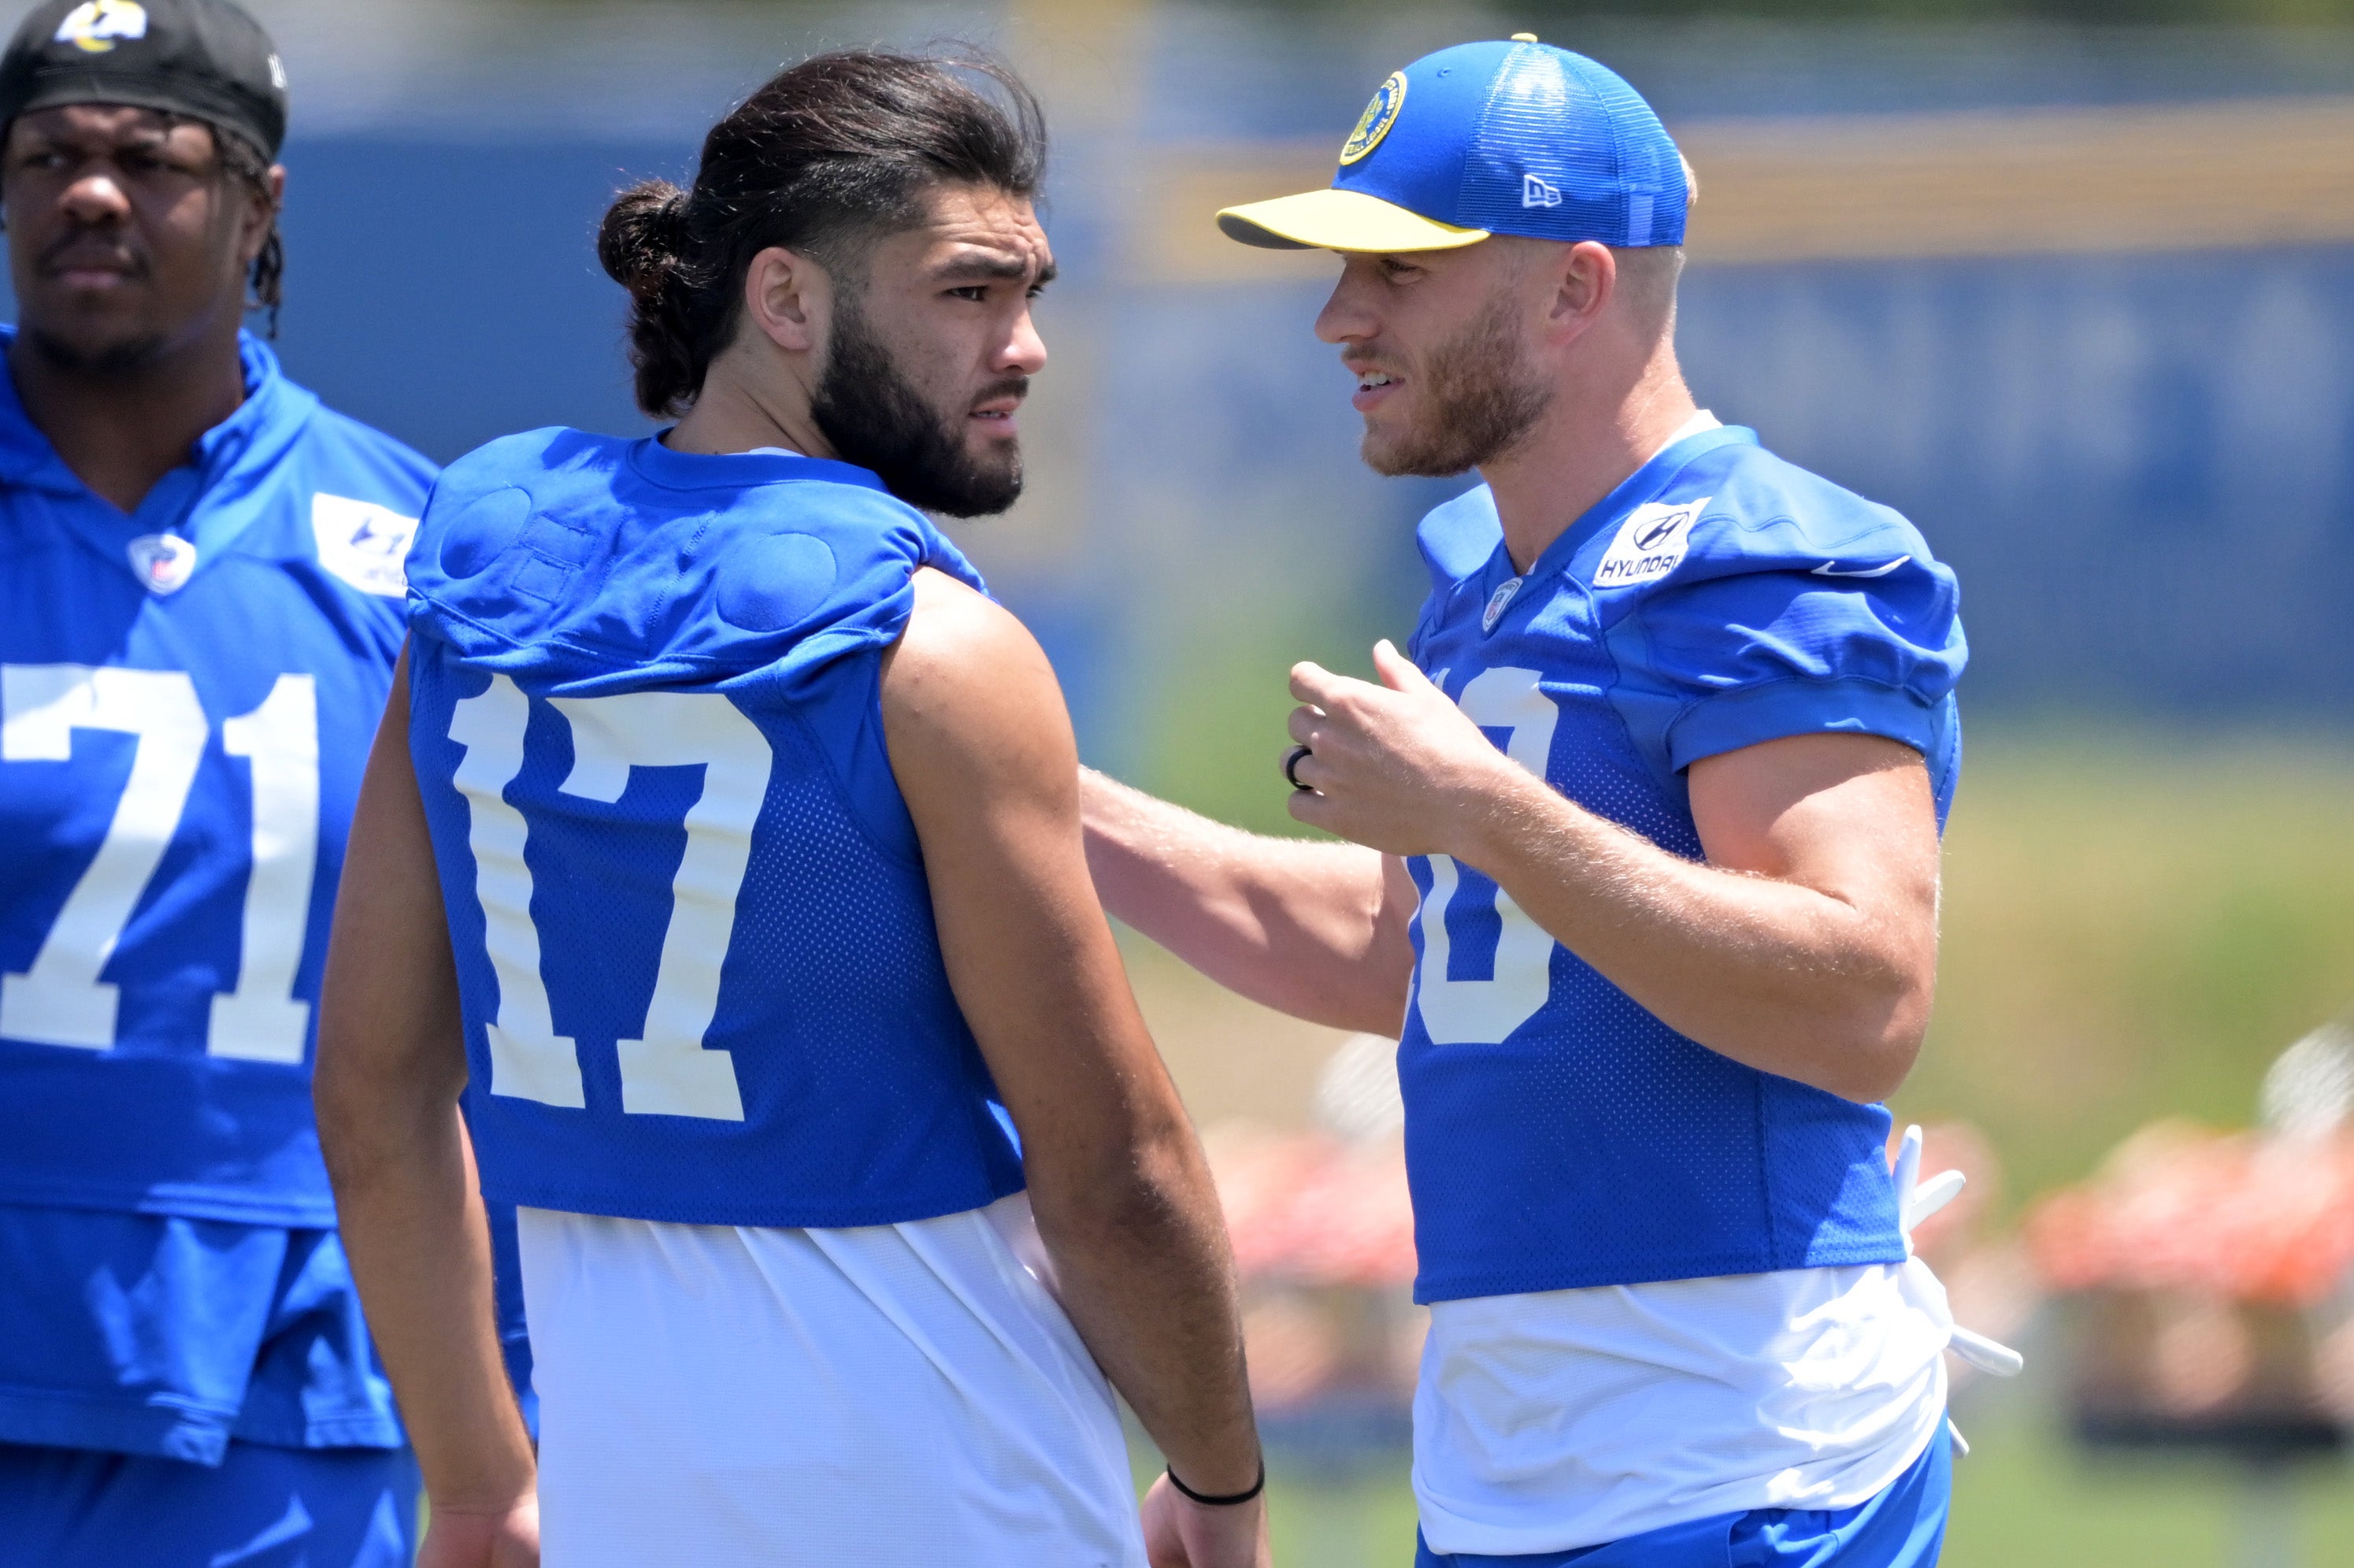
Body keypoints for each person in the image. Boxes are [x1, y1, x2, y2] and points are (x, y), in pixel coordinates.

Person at [314, 49, 1269, 1568]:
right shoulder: (929, 649)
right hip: (958, 1485)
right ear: (784, 299)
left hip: (626, 1498)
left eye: (1029, 293)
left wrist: (479, 1478)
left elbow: (371, 1094)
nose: (1025, 347)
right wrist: (1220, 1491)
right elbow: (1116, 1178)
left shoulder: (473, 604)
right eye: (967, 292)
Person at [1082, 36, 2006, 1568]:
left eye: (1401, 270)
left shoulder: (1766, 561)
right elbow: (1420, 950)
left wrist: (1486, 811)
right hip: (1504, 1448)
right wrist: (1039, 801)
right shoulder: (1483, 575)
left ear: (1575, 289)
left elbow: (1864, 996)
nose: (1338, 317)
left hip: (1740, 1449)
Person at [0, 0, 526, 1562]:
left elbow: (491, 1011)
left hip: (286, 1382)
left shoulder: (414, 554)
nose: (94, 193)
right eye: (48, 156)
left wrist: (505, 1420)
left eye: (152, 158)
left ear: (259, 202)